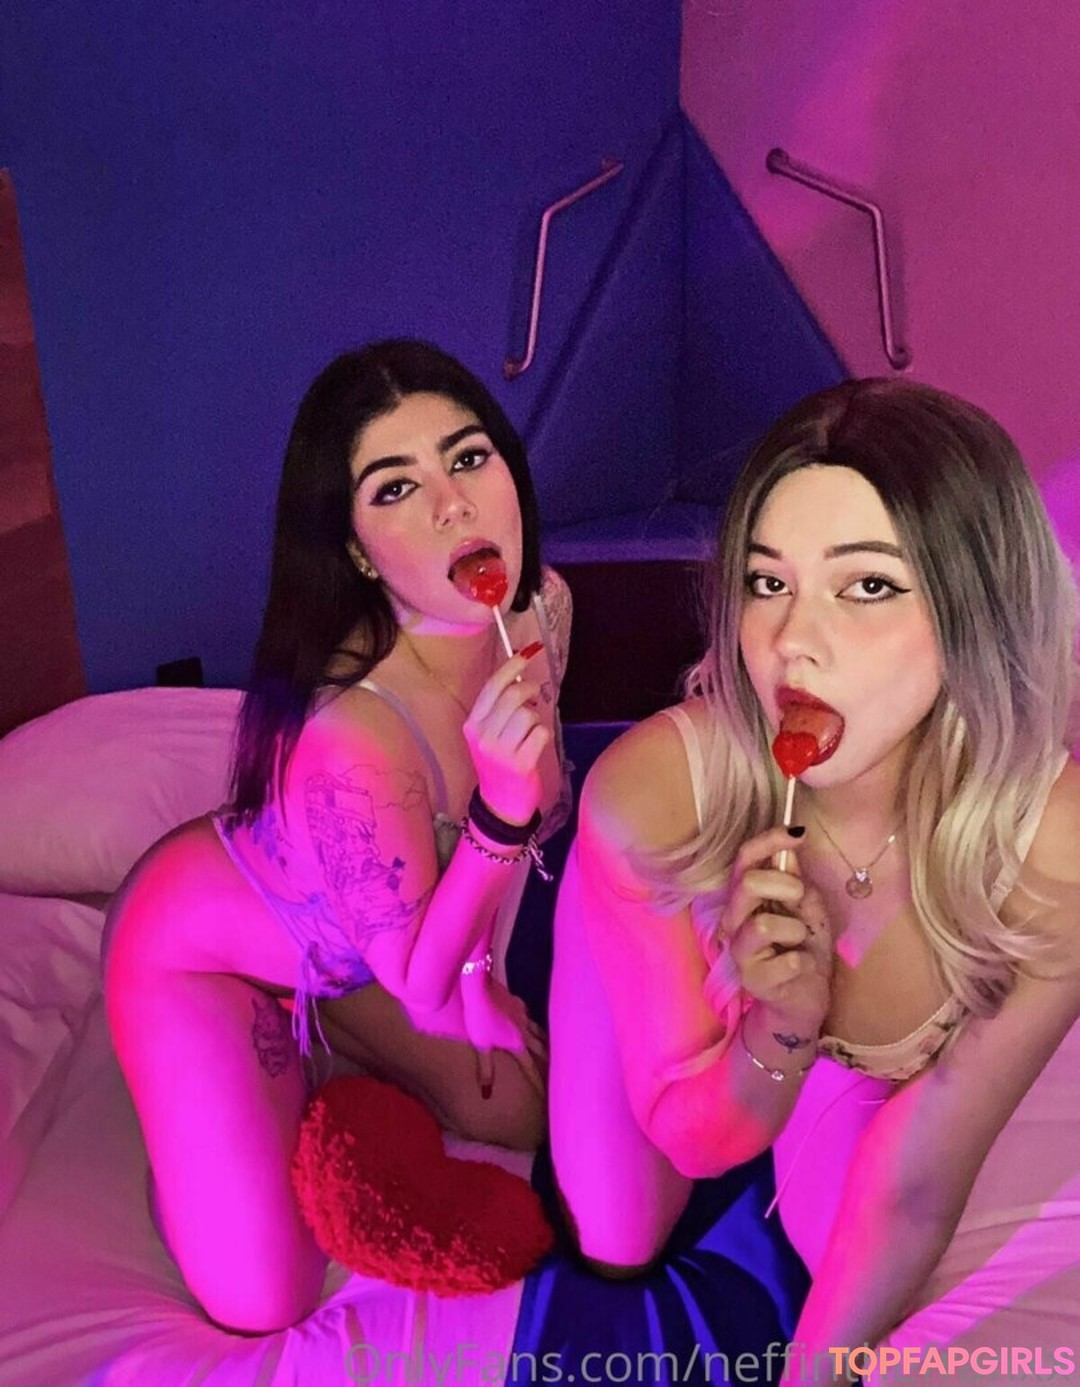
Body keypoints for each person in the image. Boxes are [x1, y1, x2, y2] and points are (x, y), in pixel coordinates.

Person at [550, 377, 1080, 1375]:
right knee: (614, 1234)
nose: (792, 641)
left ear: (973, 610)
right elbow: (701, 1140)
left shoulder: (1056, 847)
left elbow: (915, 1186)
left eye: (866, 586)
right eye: (767, 582)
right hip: (664, 912)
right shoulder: (655, 799)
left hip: (863, 1094)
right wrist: (778, 1028)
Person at [103, 340, 572, 1333]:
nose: (454, 505)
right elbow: (420, 974)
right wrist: (497, 815)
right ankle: (207, 1111)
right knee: (263, 1299)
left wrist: (484, 982)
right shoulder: (353, 734)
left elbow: (527, 840)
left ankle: (331, 1048)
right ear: (357, 550)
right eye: (397, 487)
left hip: (366, 956)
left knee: (533, 1115)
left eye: (469, 457)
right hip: (203, 958)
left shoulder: (541, 610)